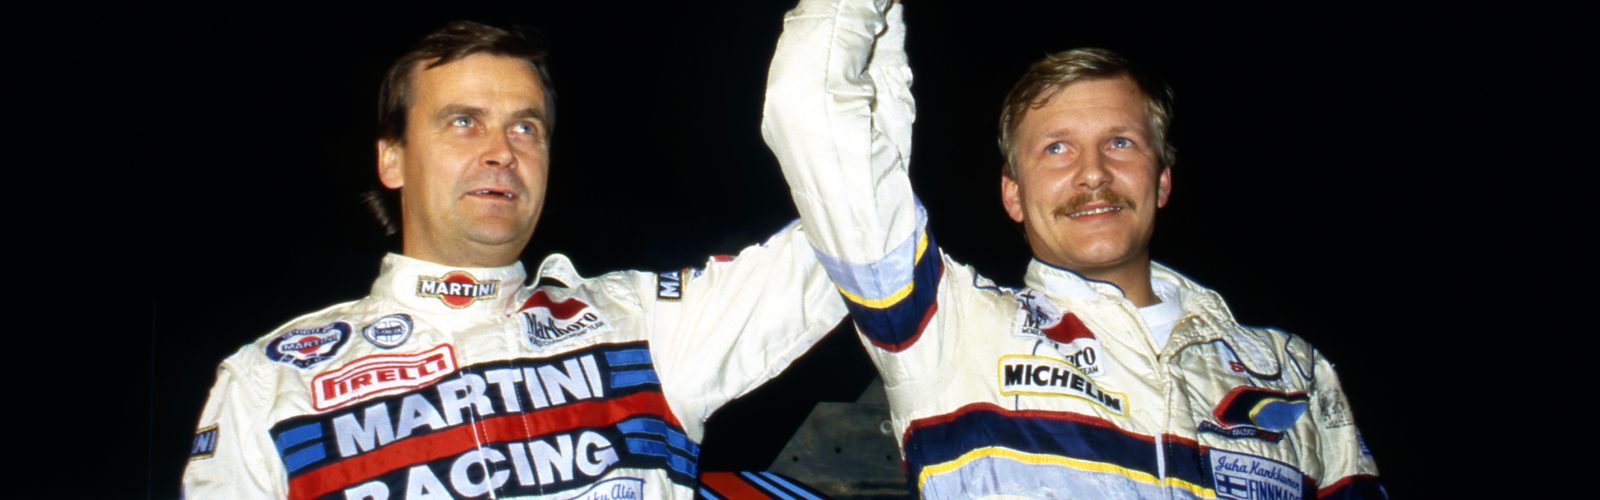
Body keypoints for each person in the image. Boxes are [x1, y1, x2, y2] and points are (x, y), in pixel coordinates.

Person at [182, 21, 845, 499]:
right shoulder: (274, 383)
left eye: (525, 127)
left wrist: (837, 44)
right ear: (393, 159)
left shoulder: (645, 326)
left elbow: (854, 230)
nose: (502, 151)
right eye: (463, 121)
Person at [763, 0, 1385, 497]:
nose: (1093, 173)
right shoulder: (950, 330)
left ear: (1162, 180)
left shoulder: (1291, 370)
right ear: (1013, 194)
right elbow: (809, 109)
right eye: (1056, 148)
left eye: (1120, 143)